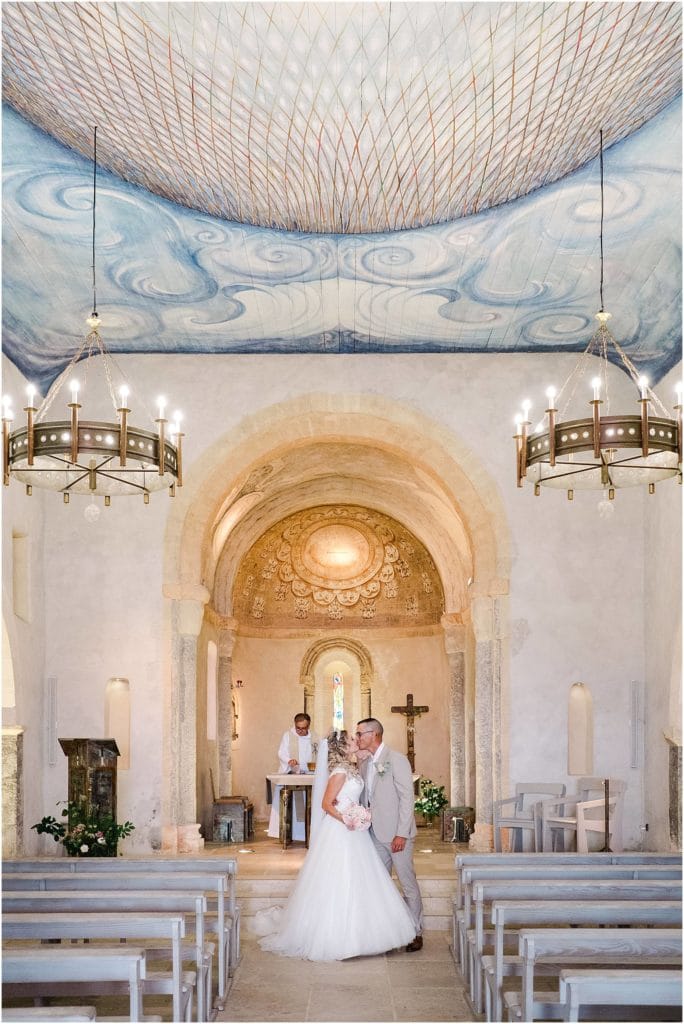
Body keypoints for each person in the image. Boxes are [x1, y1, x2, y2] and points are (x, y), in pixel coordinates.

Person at [259, 729, 416, 961]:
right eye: (352, 740)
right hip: (342, 830)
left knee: (361, 879)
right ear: (342, 747)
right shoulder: (340, 771)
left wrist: (359, 815)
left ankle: (365, 933)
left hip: (356, 833)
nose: (356, 741)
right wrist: (347, 818)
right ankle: (338, 937)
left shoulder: (352, 767)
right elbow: (326, 804)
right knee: (341, 878)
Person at [356, 717, 424, 951]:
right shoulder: (365, 763)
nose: (357, 738)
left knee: (407, 883)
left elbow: (407, 798)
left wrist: (401, 834)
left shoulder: (396, 759)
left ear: (374, 734)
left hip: (397, 835)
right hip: (374, 834)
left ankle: (416, 931)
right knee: (382, 885)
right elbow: (367, 797)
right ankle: (388, 933)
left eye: (360, 734)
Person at [267, 713, 319, 840]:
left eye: (303, 728)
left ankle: (305, 834)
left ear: (309, 726)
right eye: (298, 728)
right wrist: (290, 761)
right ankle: (288, 834)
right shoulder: (288, 735)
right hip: (292, 772)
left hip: (309, 774)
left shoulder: (315, 737)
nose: (300, 731)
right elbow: (281, 752)